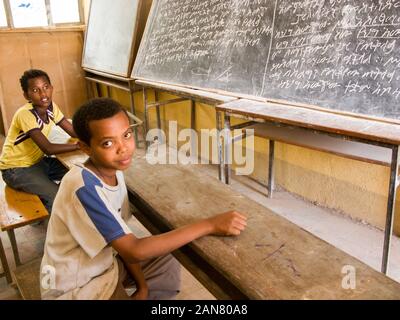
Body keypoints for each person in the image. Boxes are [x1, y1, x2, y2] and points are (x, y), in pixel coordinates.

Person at [40, 97, 247, 300]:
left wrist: (143, 286)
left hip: (103, 266)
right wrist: (210, 224)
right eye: (108, 143)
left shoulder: (113, 172)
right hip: (76, 286)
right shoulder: (83, 188)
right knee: (153, 249)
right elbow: (133, 251)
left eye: (127, 135)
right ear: (85, 147)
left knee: (168, 258)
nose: (123, 148)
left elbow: (124, 240)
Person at [0, 69, 79, 213]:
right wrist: (77, 146)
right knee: (56, 196)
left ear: (51, 88)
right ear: (26, 95)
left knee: (77, 173)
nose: (43, 94)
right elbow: (48, 148)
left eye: (46, 87)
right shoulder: (25, 114)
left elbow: (73, 131)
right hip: (15, 169)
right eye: (35, 90)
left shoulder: (51, 107)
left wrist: (93, 137)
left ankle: (44, 199)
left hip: (38, 162)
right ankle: (49, 216)